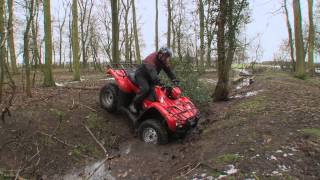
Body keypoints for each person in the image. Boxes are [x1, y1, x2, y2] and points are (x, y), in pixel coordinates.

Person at [129, 47, 178, 114]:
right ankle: (134, 104)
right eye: (165, 56)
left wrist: (174, 79)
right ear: (161, 54)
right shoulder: (151, 58)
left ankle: (146, 105)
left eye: (167, 57)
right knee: (145, 88)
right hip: (141, 75)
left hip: (150, 76)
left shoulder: (163, 61)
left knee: (156, 90)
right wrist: (158, 81)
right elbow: (152, 71)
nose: (166, 59)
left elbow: (168, 71)